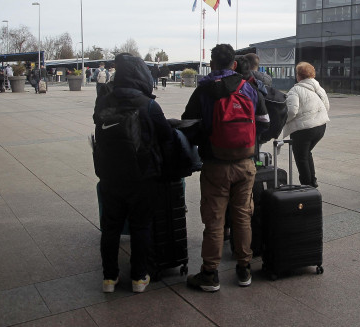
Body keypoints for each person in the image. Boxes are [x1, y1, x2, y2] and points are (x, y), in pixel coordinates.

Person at [182, 43, 269, 292]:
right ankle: (244, 270)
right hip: (245, 163)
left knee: (215, 219)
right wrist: (250, 140)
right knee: (242, 216)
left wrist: (206, 139)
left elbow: (189, 125)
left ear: (212, 64)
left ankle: (210, 274)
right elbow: (264, 121)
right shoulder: (249, 88)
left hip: (215, 165)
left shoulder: (203, 91)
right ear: (234, 64)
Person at [93, 53, 174, 294]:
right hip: (142, 176)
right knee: (141, 226)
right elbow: (167, 138)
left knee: (110, 227)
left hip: (109, 175)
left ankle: (109, 278)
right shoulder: (148, 104)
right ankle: (139, 277)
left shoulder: (103, 102)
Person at [282, 62, 329, 187]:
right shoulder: (319, 88)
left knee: (301, 158)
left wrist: (284, 121)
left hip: (303, 130)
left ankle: (307, 186)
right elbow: (326, 106)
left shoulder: (295, 90)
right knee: (307, 153)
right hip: (320, 127)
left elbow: (291, 111)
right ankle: (312, 181)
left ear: (299, 76)